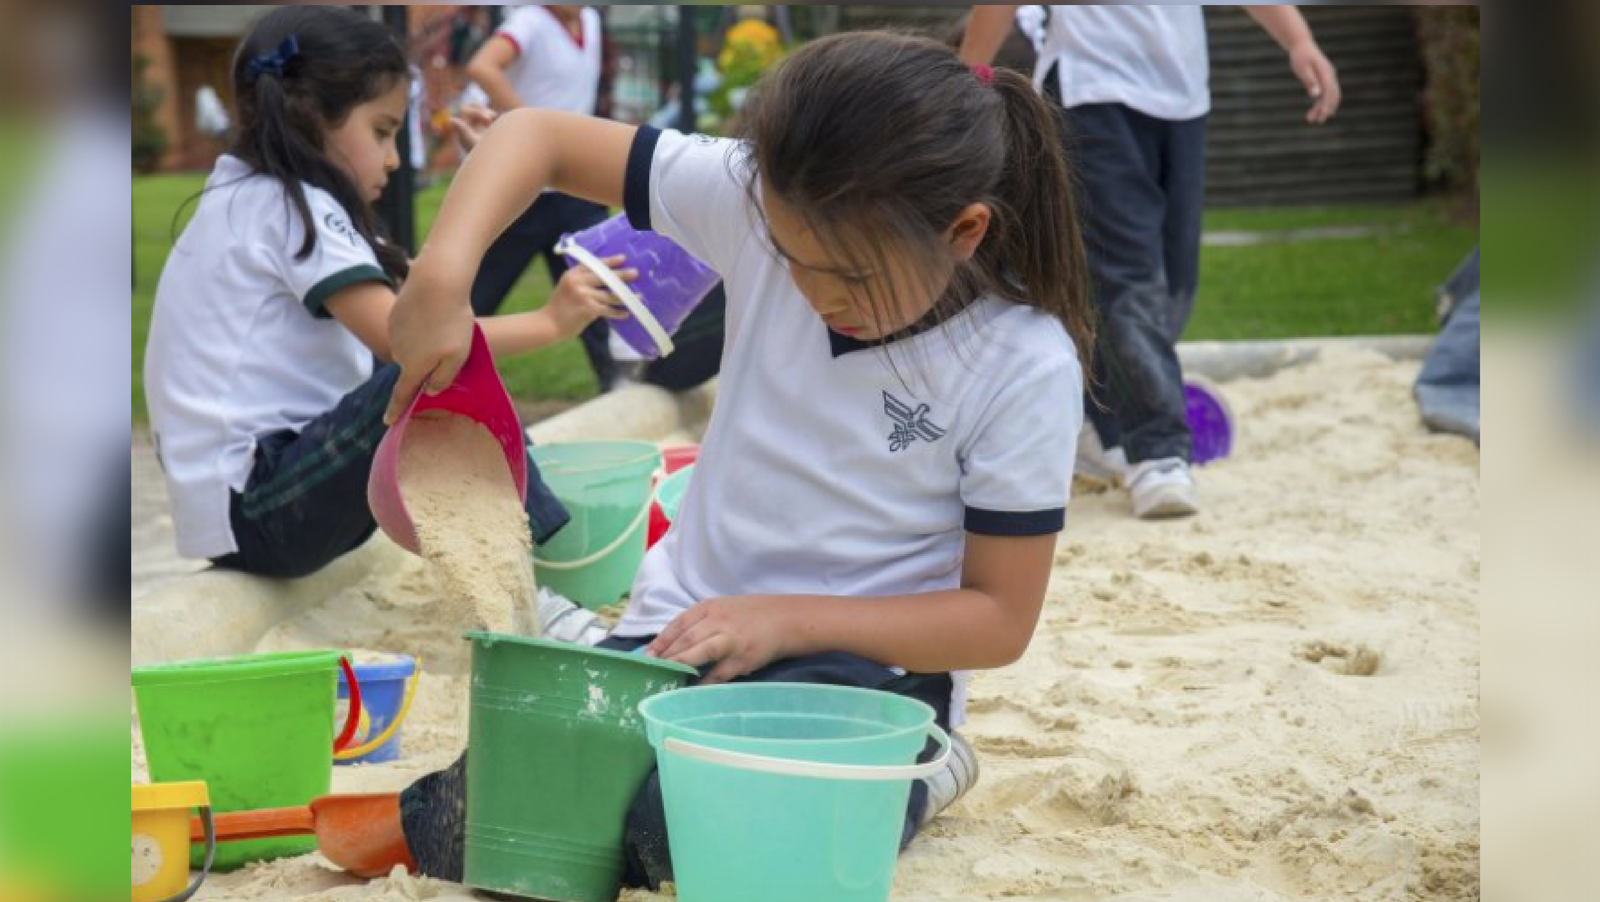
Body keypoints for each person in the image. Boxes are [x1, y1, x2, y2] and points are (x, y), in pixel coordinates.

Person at [386, 31, 1094, 889]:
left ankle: (927, 765)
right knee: (463, 830)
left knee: (679, 832)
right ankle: (607, 647)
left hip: (862, 671)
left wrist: (785, 621)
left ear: (964, 231)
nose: (817, 296)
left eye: (852, 276)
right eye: (793, 260)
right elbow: (533, 135)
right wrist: (442, 277)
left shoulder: (1022, 363)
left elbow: (999, 618)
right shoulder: (751, 195)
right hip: (683, 630)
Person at [143, 6, 634, 578]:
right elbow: (413, 338)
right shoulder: (287, 207)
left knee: (430, 357)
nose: (395, 158)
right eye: (382, 131)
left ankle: (537, 548)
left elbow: (424, 298)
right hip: (261, 507)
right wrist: (549, 323)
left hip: (254, 504)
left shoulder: (256, 196)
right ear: (311, 116)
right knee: (437, 369)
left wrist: (483, 178)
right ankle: (554, 569)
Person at [962, 5, 1342, 518]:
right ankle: (1158, 452)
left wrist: (1299, 41)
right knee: (1128, 279)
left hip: (1182, 97)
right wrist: (967, 79)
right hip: (1092, 91)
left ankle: (1099, 424)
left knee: (1174, 283)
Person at [462, 5, 620, 390]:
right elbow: (482, 66)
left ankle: (619, 385)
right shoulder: (530, 21)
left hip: (575, 187)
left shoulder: (590, 20)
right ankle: (426, 380)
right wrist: (531, 129)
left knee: (599, 291)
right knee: (477, 296)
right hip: (525, 190)